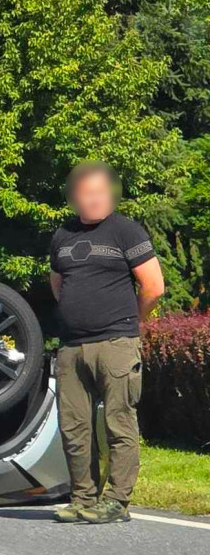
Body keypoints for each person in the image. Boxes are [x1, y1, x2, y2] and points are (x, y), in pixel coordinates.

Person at [49, 161, 164, 524]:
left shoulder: (125, 231)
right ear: (74, 197)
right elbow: (58, 285)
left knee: (119, 423)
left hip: (116, 343)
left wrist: (133, 323)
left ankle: (116, 501)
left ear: (110, 193)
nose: (94, 198)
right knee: (74, 428)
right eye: (86, 193)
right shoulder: (62, 236)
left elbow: (154, 286)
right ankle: (83, 497)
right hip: (71, 348)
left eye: (100, 192)